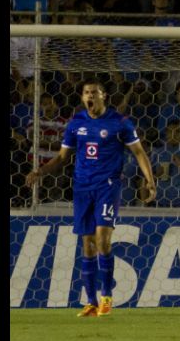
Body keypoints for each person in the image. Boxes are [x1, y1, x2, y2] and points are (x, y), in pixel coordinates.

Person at [25, 78, 156, 317]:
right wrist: (40, 171)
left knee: (102, 241)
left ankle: (107, 296)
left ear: (104, 96)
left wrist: (150, 180)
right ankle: (91, 302)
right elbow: (62, 157)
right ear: (82, 97)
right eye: (86, 93)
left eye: (94, 93)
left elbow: (139, 152)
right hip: (82, 189)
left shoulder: (120, 123)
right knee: (86, 245)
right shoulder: (76, 123)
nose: (90, 97)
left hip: (108, 187)